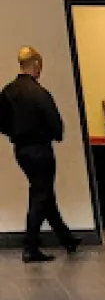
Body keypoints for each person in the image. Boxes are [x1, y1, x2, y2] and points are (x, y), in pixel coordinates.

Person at [0, 47, 81, 262]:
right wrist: (56, 135)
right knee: (40, 196)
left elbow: (1, 121)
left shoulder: (8, 91)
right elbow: (54, 122)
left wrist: (14, 134)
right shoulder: (39, 93)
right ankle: (31, 246)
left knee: (44, 193)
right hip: (40, 150)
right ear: (36, 64)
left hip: (21, 150)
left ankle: (67, 239)